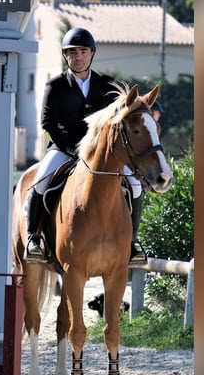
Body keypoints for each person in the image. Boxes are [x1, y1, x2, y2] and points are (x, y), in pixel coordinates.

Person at [24, 27, 147, 266]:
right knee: (40, 182)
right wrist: (73, 149)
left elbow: (120, 120)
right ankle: (33, 238)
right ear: (65, 56)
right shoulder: (56, 85)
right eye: (72, 52)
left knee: (135, 184)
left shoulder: (108, 85)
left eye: (83, 51)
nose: (78, 56)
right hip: (64, 149)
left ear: (92, 53)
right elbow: (47, 122)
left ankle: (132, 242)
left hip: (101, 155)